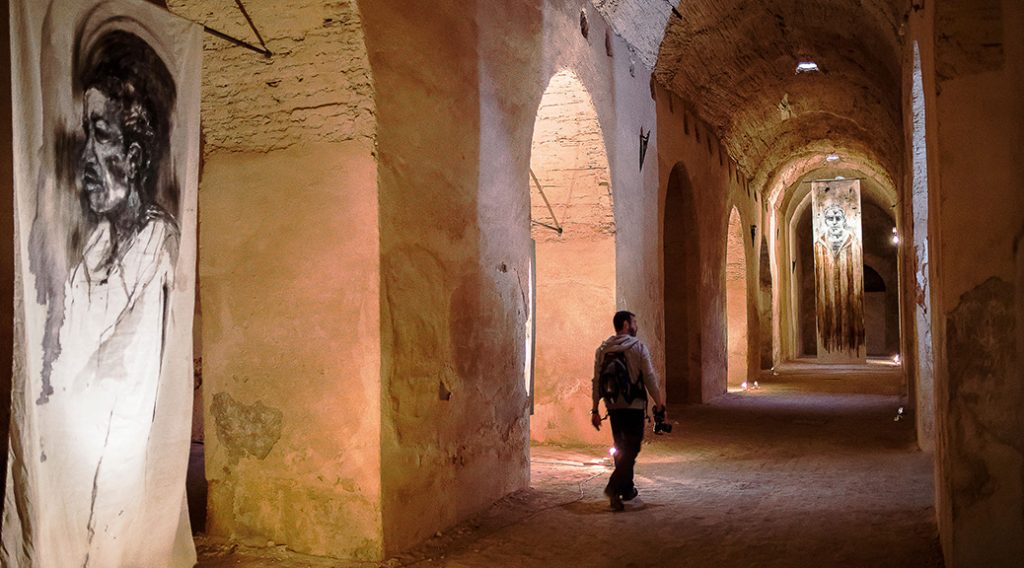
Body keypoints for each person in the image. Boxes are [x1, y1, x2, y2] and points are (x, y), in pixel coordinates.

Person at [591, 310, 666, 510]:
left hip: (613, 405)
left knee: (621, 447)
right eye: (634, 322)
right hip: (634, 405)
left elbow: (597, 381)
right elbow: (649, 377)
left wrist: (595, 409)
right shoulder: (638, 347)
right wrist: (659, 403)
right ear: (625, 324)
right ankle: (614, 487)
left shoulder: (603, 349)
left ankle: (627, 488)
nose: (636, 326)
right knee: (633, 447)